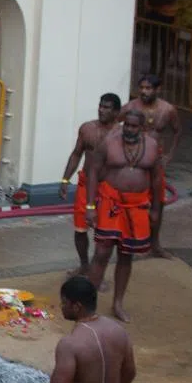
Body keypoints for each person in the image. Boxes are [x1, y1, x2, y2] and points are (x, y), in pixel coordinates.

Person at [85, 110, 164, 322]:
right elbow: (93, 171)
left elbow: (157, 179)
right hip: (110, 202)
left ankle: (117, 303)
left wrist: (156, 208)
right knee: (101, 252)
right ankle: (88, 305)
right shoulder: (109, 143)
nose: (129, 129)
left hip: (137, 206)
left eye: (134, 126)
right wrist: (90, 206)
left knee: (126, 255)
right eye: (126, 125)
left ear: (143, 128)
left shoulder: (153, 146)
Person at [59, 93, 122, 276]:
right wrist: (65, 179)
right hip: (86, 185)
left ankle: (96, 273)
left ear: (116, 112)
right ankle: (84, 266)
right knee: (80, 229)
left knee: (104, 235)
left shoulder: (120, 134)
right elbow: (77, 153)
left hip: (109, 188)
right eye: (101, 106)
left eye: (107, 107)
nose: (102, 110)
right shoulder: (87, 128)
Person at [122, 75, 179, 258]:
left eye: (148, 88)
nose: (144, 91)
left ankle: (155, 244)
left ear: (157, 89)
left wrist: (169, 154)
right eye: (142, 88)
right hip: (133, 160)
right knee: (130, 199)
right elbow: (113, 124)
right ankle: (129, 242)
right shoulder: (131, 107)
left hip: (155, 162)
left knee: (158, 202)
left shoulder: (167, 109)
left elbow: (177, 131)